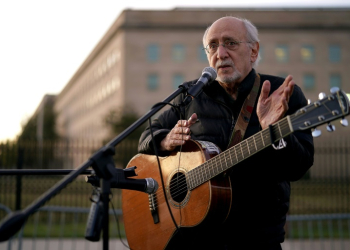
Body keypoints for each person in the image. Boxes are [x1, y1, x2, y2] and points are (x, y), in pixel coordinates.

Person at [138, 16, 314, 250]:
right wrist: (165, 139)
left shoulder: (281, 95)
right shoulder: (189, 95)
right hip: (193, 240)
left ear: (253, 51)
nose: (220, 53)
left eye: (230, 43)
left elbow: (298, 167)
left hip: (257, 240)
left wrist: (276, 133)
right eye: (212, 45)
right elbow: (145, 137)